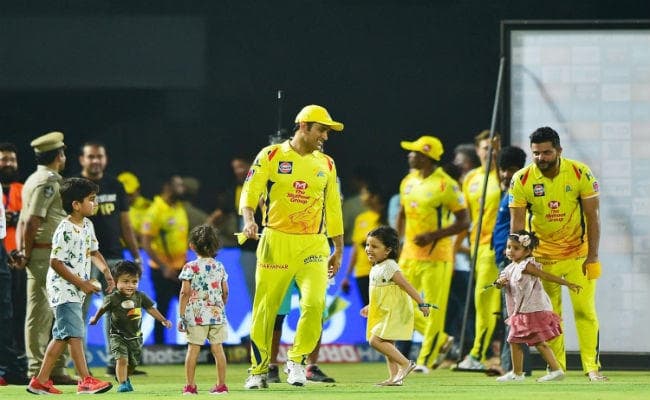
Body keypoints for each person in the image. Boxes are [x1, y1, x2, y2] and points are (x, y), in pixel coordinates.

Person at [240, 104, 344, 389]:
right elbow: (250, 191)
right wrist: (249, 220)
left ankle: (297, 361)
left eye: (328, 132)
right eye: (322, 130)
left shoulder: (327, 164)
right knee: (266, 308)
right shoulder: (271, 155)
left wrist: (338, 249)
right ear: (303, 126)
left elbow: (333, 209)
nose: (325, 136)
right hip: (276, 240)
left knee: (315, 305)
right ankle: (258, 370)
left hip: (314, 243)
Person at [509, 126, 607, 382]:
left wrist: (593, 256)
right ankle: (557, 368)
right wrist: (520, 263)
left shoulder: (579, 172)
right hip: (542, 259)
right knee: (549, 317)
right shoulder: (522, 179)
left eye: (546, 152)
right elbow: (517, 226)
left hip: (578, 255)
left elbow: (593, 217)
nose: (541, 158)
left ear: (559, 150)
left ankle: (592, 368)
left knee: (585, 311)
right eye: (536, 153)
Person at [26, 177, 115, 395]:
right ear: (76, 204)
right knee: (75, 335)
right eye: (91, 199)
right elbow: (55, 262)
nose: (95, 203)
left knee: (61, 337)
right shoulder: (65, 229)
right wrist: (82, 283)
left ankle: (40, 381)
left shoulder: (88, 225)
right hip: (63, 290)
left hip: (74, 290)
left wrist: (107, 273)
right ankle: (85, 380)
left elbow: (93, 252)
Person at [396, 135, 469, 372]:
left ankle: (425, 361)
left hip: (437, 256)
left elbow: (464, 221)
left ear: (426, 157)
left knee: (432, 309)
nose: (410, 155)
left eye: (415, 152)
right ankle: (442, 340)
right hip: (409, 255)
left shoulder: (446, 185)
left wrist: (432, 235)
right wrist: (396, 243)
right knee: (398, 304)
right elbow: (402, 214)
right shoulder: (407, 181)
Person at [77, 141, 142, 376]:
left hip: (114, 256)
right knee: (80, 311)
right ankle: (81, 367)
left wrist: (136, 255)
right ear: (82, 159)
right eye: (91, 156)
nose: (95, 160)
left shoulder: (115, 185)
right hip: (84, 257)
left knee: (118, 312)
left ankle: (116, 363)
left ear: (105, 159)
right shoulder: (76, 185)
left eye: (99, 156)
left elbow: (125, 223)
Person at [17, 132, 77, 384]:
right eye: (62, 153)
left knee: (41, 313)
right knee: (56, 311)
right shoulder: (49, 181)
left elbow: (24, 220)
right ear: (58, 155)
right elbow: (33, 220)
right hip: (47, 255)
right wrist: (26, 252)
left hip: (41, 254)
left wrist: (23, 251)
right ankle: (48, 369)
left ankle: (43, 369)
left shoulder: (33, 179)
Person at [494, 230, 582, 382]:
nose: (510, 251)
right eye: (508, 247)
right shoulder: (509, 268)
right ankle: (518, 373)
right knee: (516, 340)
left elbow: (545, 275)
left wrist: (567, 283)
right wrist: (498, 283)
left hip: (532, 310)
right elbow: (500, 284)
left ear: (527, 251)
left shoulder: (526, 265)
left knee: (536, 342)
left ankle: (553, 370)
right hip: (522, 311)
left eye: (516, 248)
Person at [360, 226, 431, 386]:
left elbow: (406, 285)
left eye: (374, 246)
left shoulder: (389, 266)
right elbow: (381, 291)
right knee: (388, 344)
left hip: (394, 311)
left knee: (375, 340)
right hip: (385, 310)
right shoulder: (377, 266)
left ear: (388, 250)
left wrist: (421, 303)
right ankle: (394, 378)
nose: (369, 249)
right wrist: (371, 305)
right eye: (367, 245)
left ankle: (405, 364)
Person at [90, 260, 171, 392]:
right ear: (116, 281)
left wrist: (163, 320)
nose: (130, 285)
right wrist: (95, 319)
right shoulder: (112, 298)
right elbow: (102, 309)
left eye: (134, 282)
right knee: (121, 360)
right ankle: (122, 383)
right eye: (126, 281)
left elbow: (150, 308)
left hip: (135, 337)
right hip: (117, 336)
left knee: (133, 363)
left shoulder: (140, 296)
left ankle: (124, 377)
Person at [458, 130, 502, 370]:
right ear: (477, 151)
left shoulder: (503, 177)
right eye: (486, 148)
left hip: (495, 247)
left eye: (495, 147)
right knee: (482, 301)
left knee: (485, 301)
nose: (490, 152)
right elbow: (467, 217)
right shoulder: (471, 179)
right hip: (476, 247)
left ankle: (478, 354)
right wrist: (460, 245)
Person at [177, 224, 229, 395]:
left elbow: (185, 292)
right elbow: (225, 291)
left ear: (192, 246)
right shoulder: (219, 266)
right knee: (218, 349)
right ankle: (221, 385)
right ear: (215, 246)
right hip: (216, 313)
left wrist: (181, 315)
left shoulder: (190, 267)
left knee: (193, 349)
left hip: (196, 314)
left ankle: (190, 387)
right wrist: (221, 306)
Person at [492, 146, 530, 376]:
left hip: (512, 261)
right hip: (503, 258)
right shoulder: (508, 191)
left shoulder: (520, 193)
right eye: (503, 169)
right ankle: (511, 367)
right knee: (510, 314)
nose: (506, 174)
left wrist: (517, 259)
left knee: (514, 315)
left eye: (511, 170)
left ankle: (515, 369)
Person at [141, 175, 189, 345]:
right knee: (162, 308)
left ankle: (194, 345)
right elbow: (145, 242)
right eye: (178, 185)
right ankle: (159, 347)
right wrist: (163, 267)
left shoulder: (179, 207)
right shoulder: (156, 210)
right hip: (162, 270)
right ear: (168, 187)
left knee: (189, 308)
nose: (182, 189)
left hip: (181, 268)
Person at [0, 142, 29, 385]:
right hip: (3, 256)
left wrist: (16, 217)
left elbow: (31, 218)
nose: (8, 164)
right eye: (4, 159)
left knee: (17, 312)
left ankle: (16, 359)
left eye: (12, 159)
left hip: (18, 259)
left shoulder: (24, 189)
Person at [341, 177, 389, 307]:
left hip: (380, 273)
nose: (361, 197)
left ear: (374, 197)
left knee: (381, 312)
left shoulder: (384, 219)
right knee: (367, 312)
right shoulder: (360, 219)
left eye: (364, 193)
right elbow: (356, 249)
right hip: (361, 273)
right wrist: (347, 276)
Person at [116, 171, 151, 246]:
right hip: (123, 249)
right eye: (122, 194)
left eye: (129, 194)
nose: (125, 197)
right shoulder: (113, 209)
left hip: (144, 249)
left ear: (138, 190)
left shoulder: (149, 207)